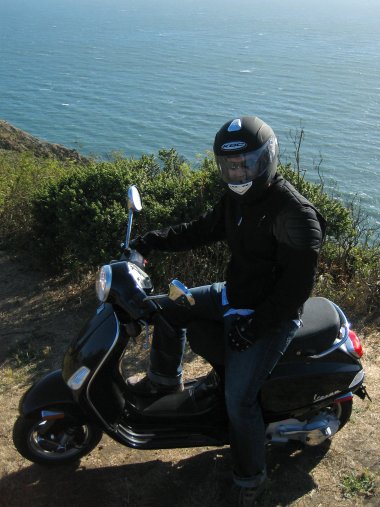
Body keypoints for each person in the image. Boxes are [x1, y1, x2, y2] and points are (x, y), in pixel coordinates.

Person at [127, 116, 326, 506]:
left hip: (273, 316)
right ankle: (164, 383)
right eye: (230, 165)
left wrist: (255, 326)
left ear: (266, 159)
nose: (237, 172)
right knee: (169, 310)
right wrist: (148, 242)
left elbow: (295, 291)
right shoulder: (237, 199)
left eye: (245, 163)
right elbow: (200, 229)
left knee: (240, 400)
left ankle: (252, 479)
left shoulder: (295, 215)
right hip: (231, 295)